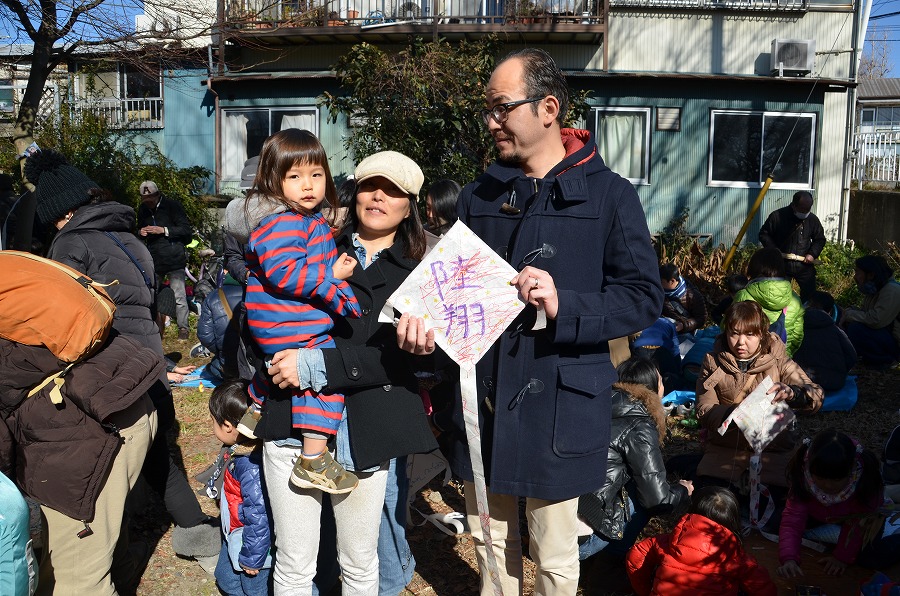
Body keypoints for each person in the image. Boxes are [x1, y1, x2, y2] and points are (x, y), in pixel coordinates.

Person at [402, 48, 663, 595]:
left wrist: (564, 303)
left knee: (555, 555)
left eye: (502, 108)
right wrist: (424, 328)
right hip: (486, 398)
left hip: (561, 403)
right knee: (491, 547)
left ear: (548, 108)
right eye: (489, 110)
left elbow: (642, 298)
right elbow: (448, 293)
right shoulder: (480, 196)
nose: (492, 122)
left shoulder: (610, 195)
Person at [230, 149, 438, 594]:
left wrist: (318, 363)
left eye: (394, 191)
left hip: (368, 426)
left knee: (361, 562)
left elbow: (416, 361)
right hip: (290, 418)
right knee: (294, 561)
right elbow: (260, 318)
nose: (379, 197)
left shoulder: (425, 271)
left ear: (410, 205)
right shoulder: (310, 240)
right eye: (369, 186)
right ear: (353, 191)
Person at [28, 149, 221, 568]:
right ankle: (196, 531)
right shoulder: (129, 236)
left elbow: (64, 317)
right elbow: (147, 306)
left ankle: (104, 553)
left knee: (100, 460)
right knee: (157, 450)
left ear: (61, 213)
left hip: (109, 366)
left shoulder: (70, 243)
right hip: (148, 358)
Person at [238, 128, 362, 494]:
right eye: (295, 176)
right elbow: (285, 272)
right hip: (287, 318)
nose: (308, 185)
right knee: (322, 374)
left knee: (282, 363)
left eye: (316, 174)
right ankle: (313, 458)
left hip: (279, 319)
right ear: (273, 181)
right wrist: (331, 275)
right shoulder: (284, 221)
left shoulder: (304, 219)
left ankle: (255, 407)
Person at [696, 300, 823, 494]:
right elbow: (704, 409)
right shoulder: (713, 363)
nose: (740, 342)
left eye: (749, 334)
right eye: (734, 333)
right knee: (714, 505)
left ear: (762, 334)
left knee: (776, 508)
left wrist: (793, 393)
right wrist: (734, 414)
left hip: (773, 452)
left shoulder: (779, 360)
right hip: (726, 450)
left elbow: (816, 394)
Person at [577, 357, 692, 562]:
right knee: (643, 491)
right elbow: (657, 499)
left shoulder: (593, 409)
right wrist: (682, 490)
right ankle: (613, 557)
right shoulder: (639, 424)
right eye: (660, 381)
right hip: (580, 542)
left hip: (554, 530)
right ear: (652, 389)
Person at [777, 428, 900, 577]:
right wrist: (789, 558)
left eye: (836, 480)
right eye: (821, 479)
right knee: (781, 523)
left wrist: (841, 558)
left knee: (872, 557)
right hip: (822, 514)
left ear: (850, 471)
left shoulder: (865, 483)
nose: (828, 486)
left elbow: (858, 525)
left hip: (857, 519)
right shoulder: (803, 477)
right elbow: (792, 520)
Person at [626, 486, 777, 595]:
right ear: (733, 521)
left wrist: (645, 590)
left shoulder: (667, 541)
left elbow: (635, 555)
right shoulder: (736, 557)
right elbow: (763, 587)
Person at [209, 380, 273, 596]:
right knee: (226, 579)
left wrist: (253, 557)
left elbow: (259, 514)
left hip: (254, 542)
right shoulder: (237, 449)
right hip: (236, 532)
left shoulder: (250, 465)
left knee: (254, 589)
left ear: (227, 425)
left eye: (213, 421)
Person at [137, 179, 193, 340]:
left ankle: (183, 327)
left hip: (174, 257)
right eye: (145, 201)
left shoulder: (172, 206)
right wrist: (141, 232)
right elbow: (138, 228)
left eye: (151, 200)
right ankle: (153, 325)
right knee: (151, 294)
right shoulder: (143, 210)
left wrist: (163, 230)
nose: (148, 204)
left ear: (158, 195)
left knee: (179, 295)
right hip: (154, 258)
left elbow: (185, 230)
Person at [733, 246, 805, 355]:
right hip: (780, 362)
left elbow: (728, 328)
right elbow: (797, 337)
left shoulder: (743, 296)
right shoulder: (795, 300)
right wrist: (784, 356)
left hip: (750, 362)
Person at [759, 190, 826, 303]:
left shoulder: (812, 219)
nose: (805, 212)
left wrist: (812, 253)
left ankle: (807, 316)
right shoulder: (777, 216)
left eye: (808, 209)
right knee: (778, 296)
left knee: (810, 297)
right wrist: (775, 251)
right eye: (803, 209)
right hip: (781, 264)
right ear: (794, 205)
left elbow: (820, 239)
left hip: (804, 265)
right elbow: (764, 234)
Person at [841, 255, 900, 369]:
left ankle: (887, 360)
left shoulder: (892, 290)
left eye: (858, 272)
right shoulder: (875, 289)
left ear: (871, 275)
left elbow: (876, 320)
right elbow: (865, 312)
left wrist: (849, 315)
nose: (855, 277)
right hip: (886, 336)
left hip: (895, 343)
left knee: (856, 329)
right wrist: (848, 312)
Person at [793, 291, 856, 391]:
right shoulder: (836, 330)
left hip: (803, 382)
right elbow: (851, 357)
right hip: (835, 383)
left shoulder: (795, 327)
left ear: (808, 304)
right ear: (830, 311)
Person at [197, 273, 245, 382]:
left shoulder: (213, 296)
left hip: (231, 365)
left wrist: (222, 351)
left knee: (213, 366)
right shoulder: (260, 293)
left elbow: (205, 336)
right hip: (259, 365)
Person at [659, 263, 708, 339]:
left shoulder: (693, 295)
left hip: (684, 333)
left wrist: (683, 325)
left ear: (672, 281)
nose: (659, 284)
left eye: (662, 282)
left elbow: (701, 318)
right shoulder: (660, 291)